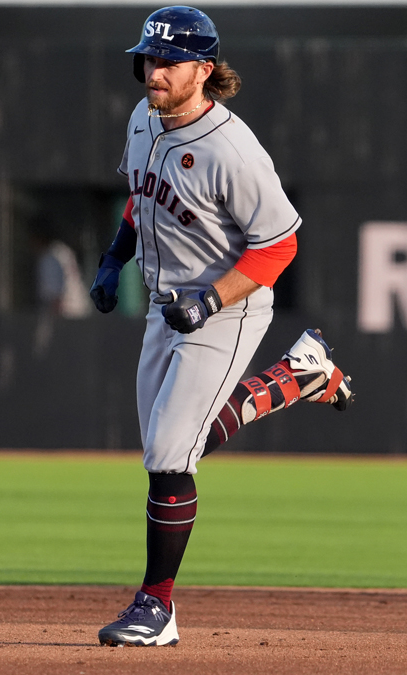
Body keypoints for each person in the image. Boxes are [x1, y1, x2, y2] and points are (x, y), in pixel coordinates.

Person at [89, 5, 354, 647]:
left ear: (204, 70)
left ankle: (156, 608)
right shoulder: (143, 119)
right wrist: (112, 258)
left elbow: (280, 244)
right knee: (173, 444)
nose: (155, 70)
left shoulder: (231, 149)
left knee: (169, 454)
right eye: (150, 58)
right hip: (162, 303)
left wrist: (210, 302)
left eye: (170, 60)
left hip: (226, 308)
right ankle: (296, 377)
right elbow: (139, 196)